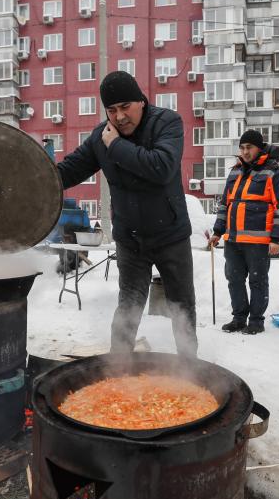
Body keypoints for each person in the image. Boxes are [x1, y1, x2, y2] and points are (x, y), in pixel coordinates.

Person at [56, 71, 198, 358]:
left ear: (141, 102)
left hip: (170, 235)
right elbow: (67, 171)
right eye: (111, 110)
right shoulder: (101, 137)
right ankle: (118, 366)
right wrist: (27, 178)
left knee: (180, 304)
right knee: (129, 305)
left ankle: (189, 366)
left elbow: (161, 167)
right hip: (130, 239)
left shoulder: (166, 122)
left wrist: (116, 145)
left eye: (125, 107)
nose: (119, 117)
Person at [208, 130, 279, 335]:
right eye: (242, 148)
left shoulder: (276, 172)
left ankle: (256, 321)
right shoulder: (235, 172)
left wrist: (277, 238)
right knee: (234, 279)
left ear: (259, 148)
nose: (245, 152)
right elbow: (225, 204)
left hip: (258, 241)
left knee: (257, 281)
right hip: (234, 239)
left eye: (249, 148)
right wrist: (218, 232)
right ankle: (239, 318)